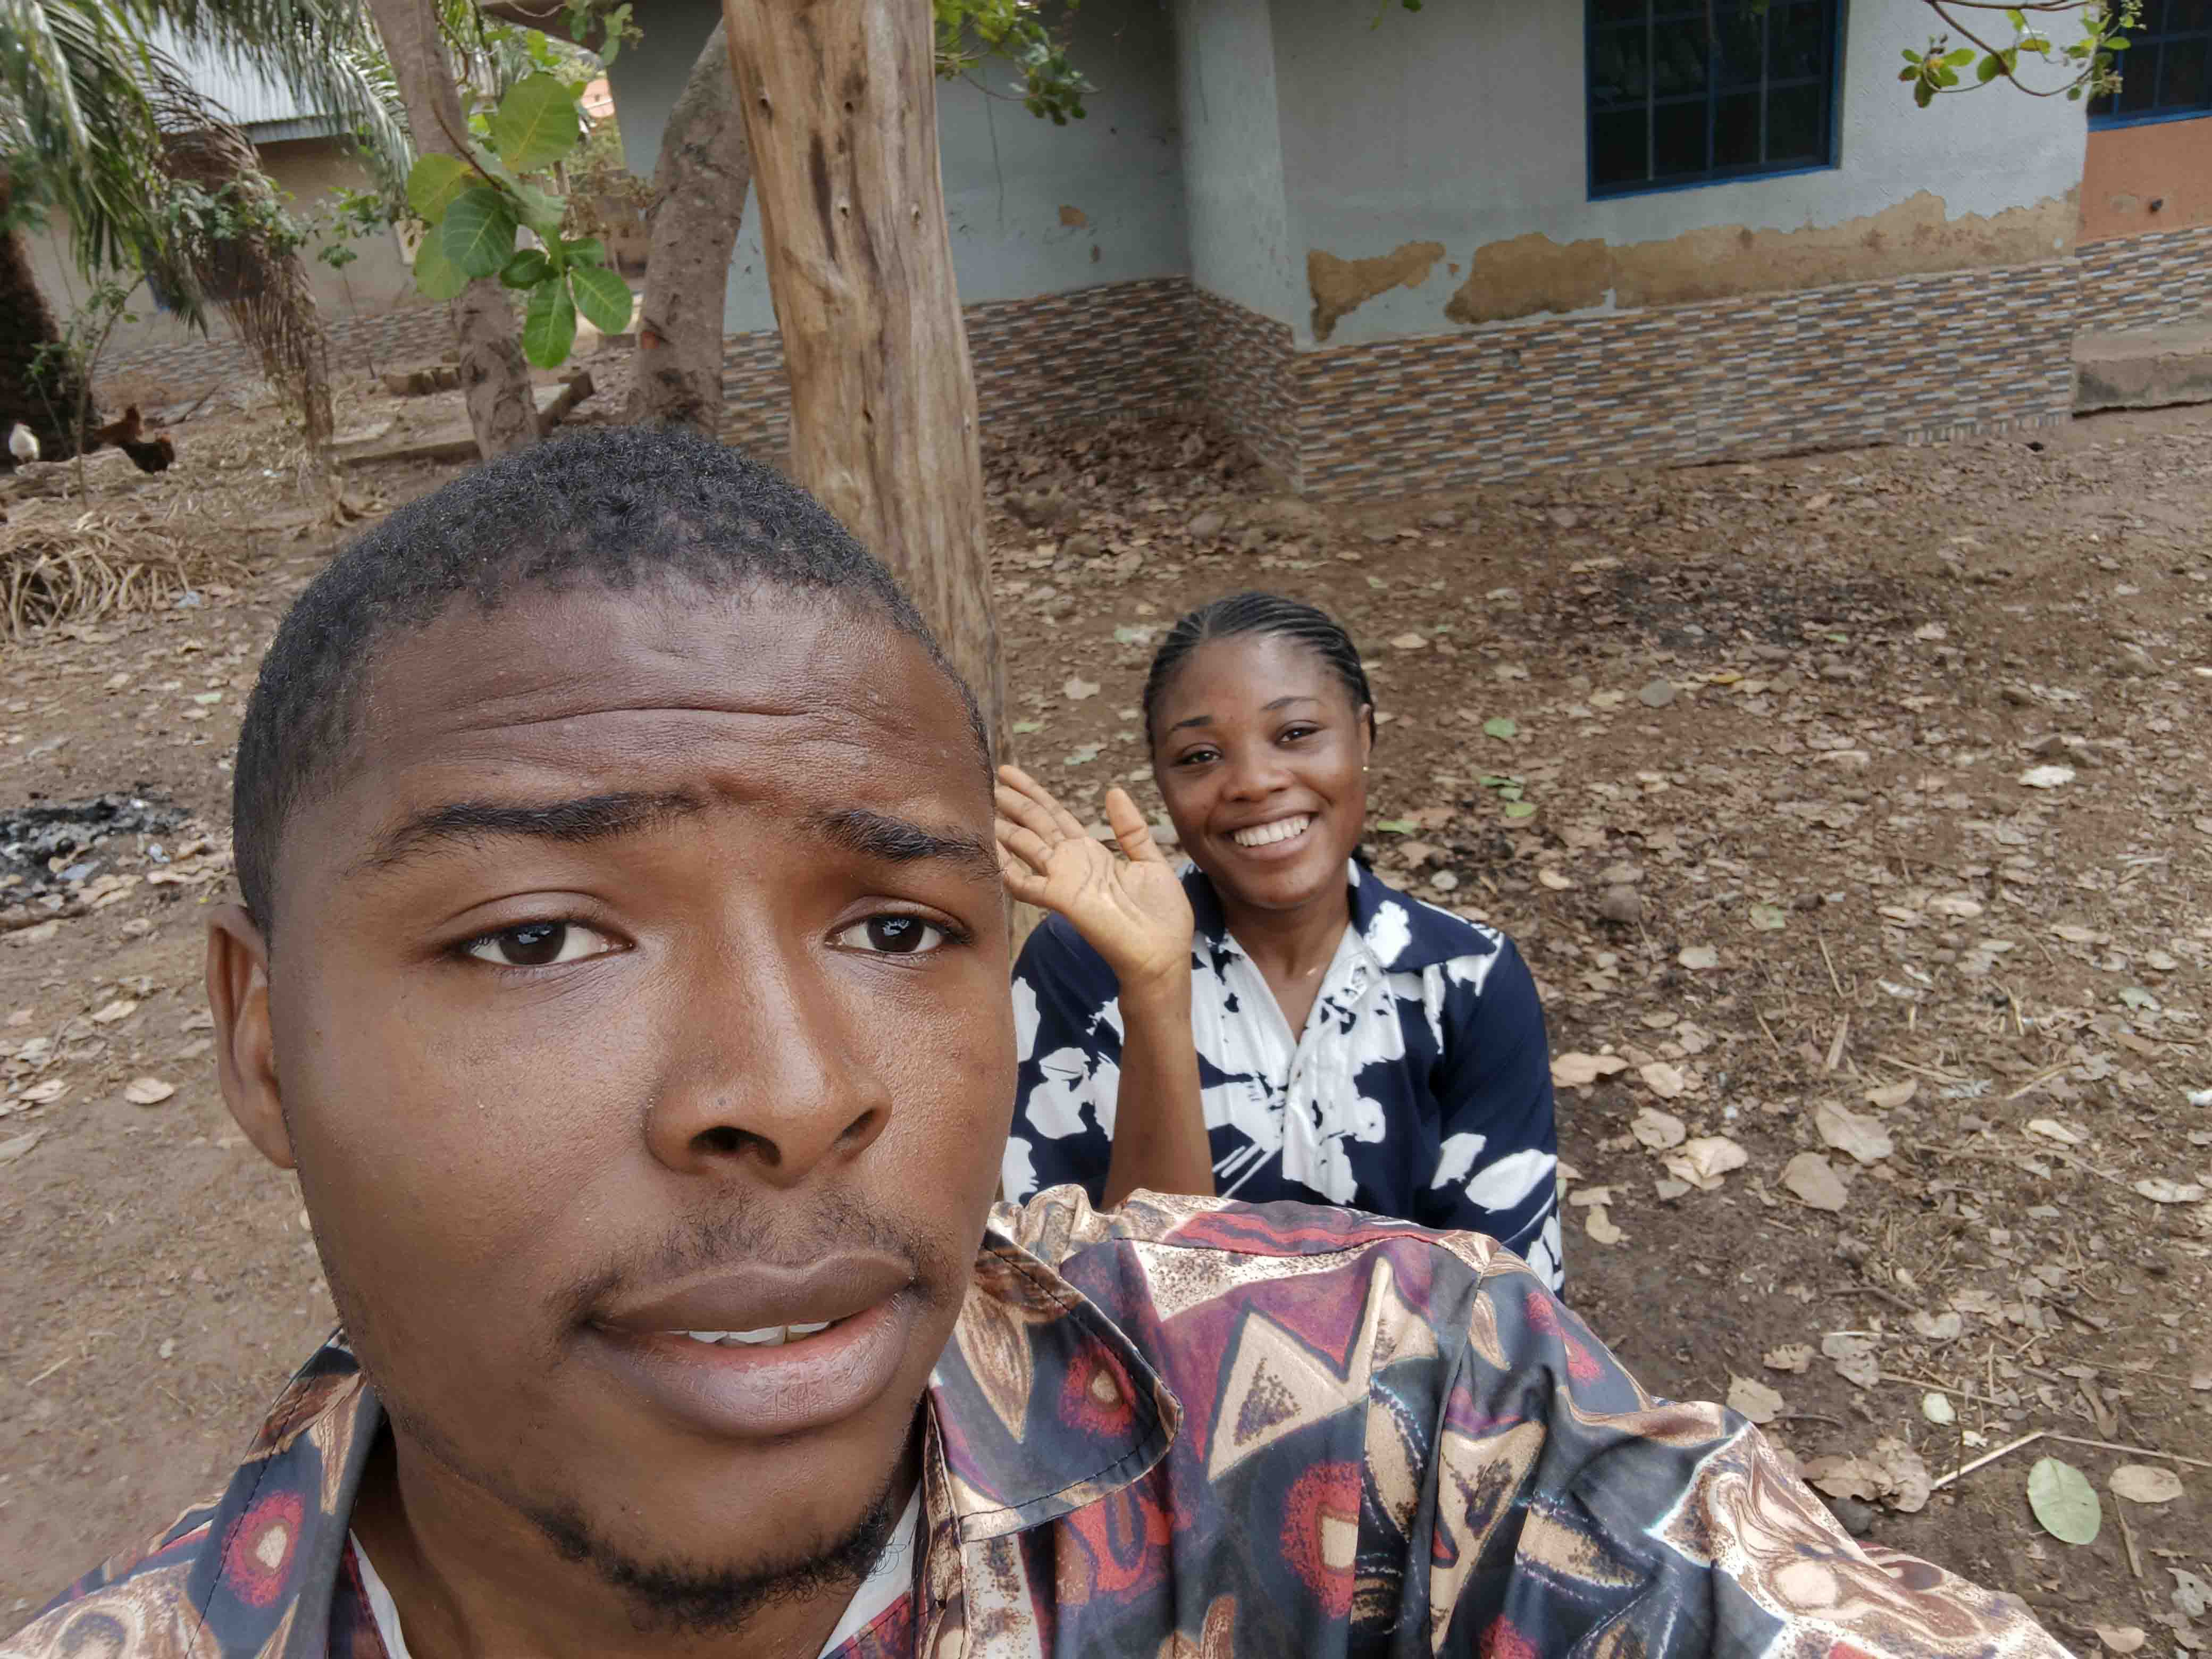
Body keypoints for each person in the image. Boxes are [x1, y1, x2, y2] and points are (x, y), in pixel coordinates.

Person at [7, 429, 2061, 1659]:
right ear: (262, 1039)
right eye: (539, 937)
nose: (793, 1091)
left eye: (898, 928)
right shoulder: (1086, 986)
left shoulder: (1389, 1405)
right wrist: (1150, 986)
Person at [996, 593, 1564, 1288]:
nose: (1255, 782)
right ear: (1162, 782)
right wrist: (1156, 988)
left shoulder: (1467, 979)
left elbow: (1510, 1306)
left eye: (1295, 733)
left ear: (1364, 737)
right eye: (1200, 755)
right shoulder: (1079, 968)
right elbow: (1075, 1296)